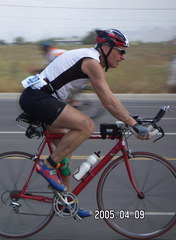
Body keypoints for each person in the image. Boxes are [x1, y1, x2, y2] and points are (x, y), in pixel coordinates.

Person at [19, 29, 150, 218]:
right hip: (38, 98)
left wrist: (131, 119)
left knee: (65, 151)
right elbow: (108, 101)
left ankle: (66, 202)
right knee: (86, 126)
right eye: (121, 51)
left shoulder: (89, 58)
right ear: (106, 47)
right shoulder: (91, 62)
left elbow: (109, 98)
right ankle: (46, 167)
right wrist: (132, 123)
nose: (123, 57)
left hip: (41, 97)